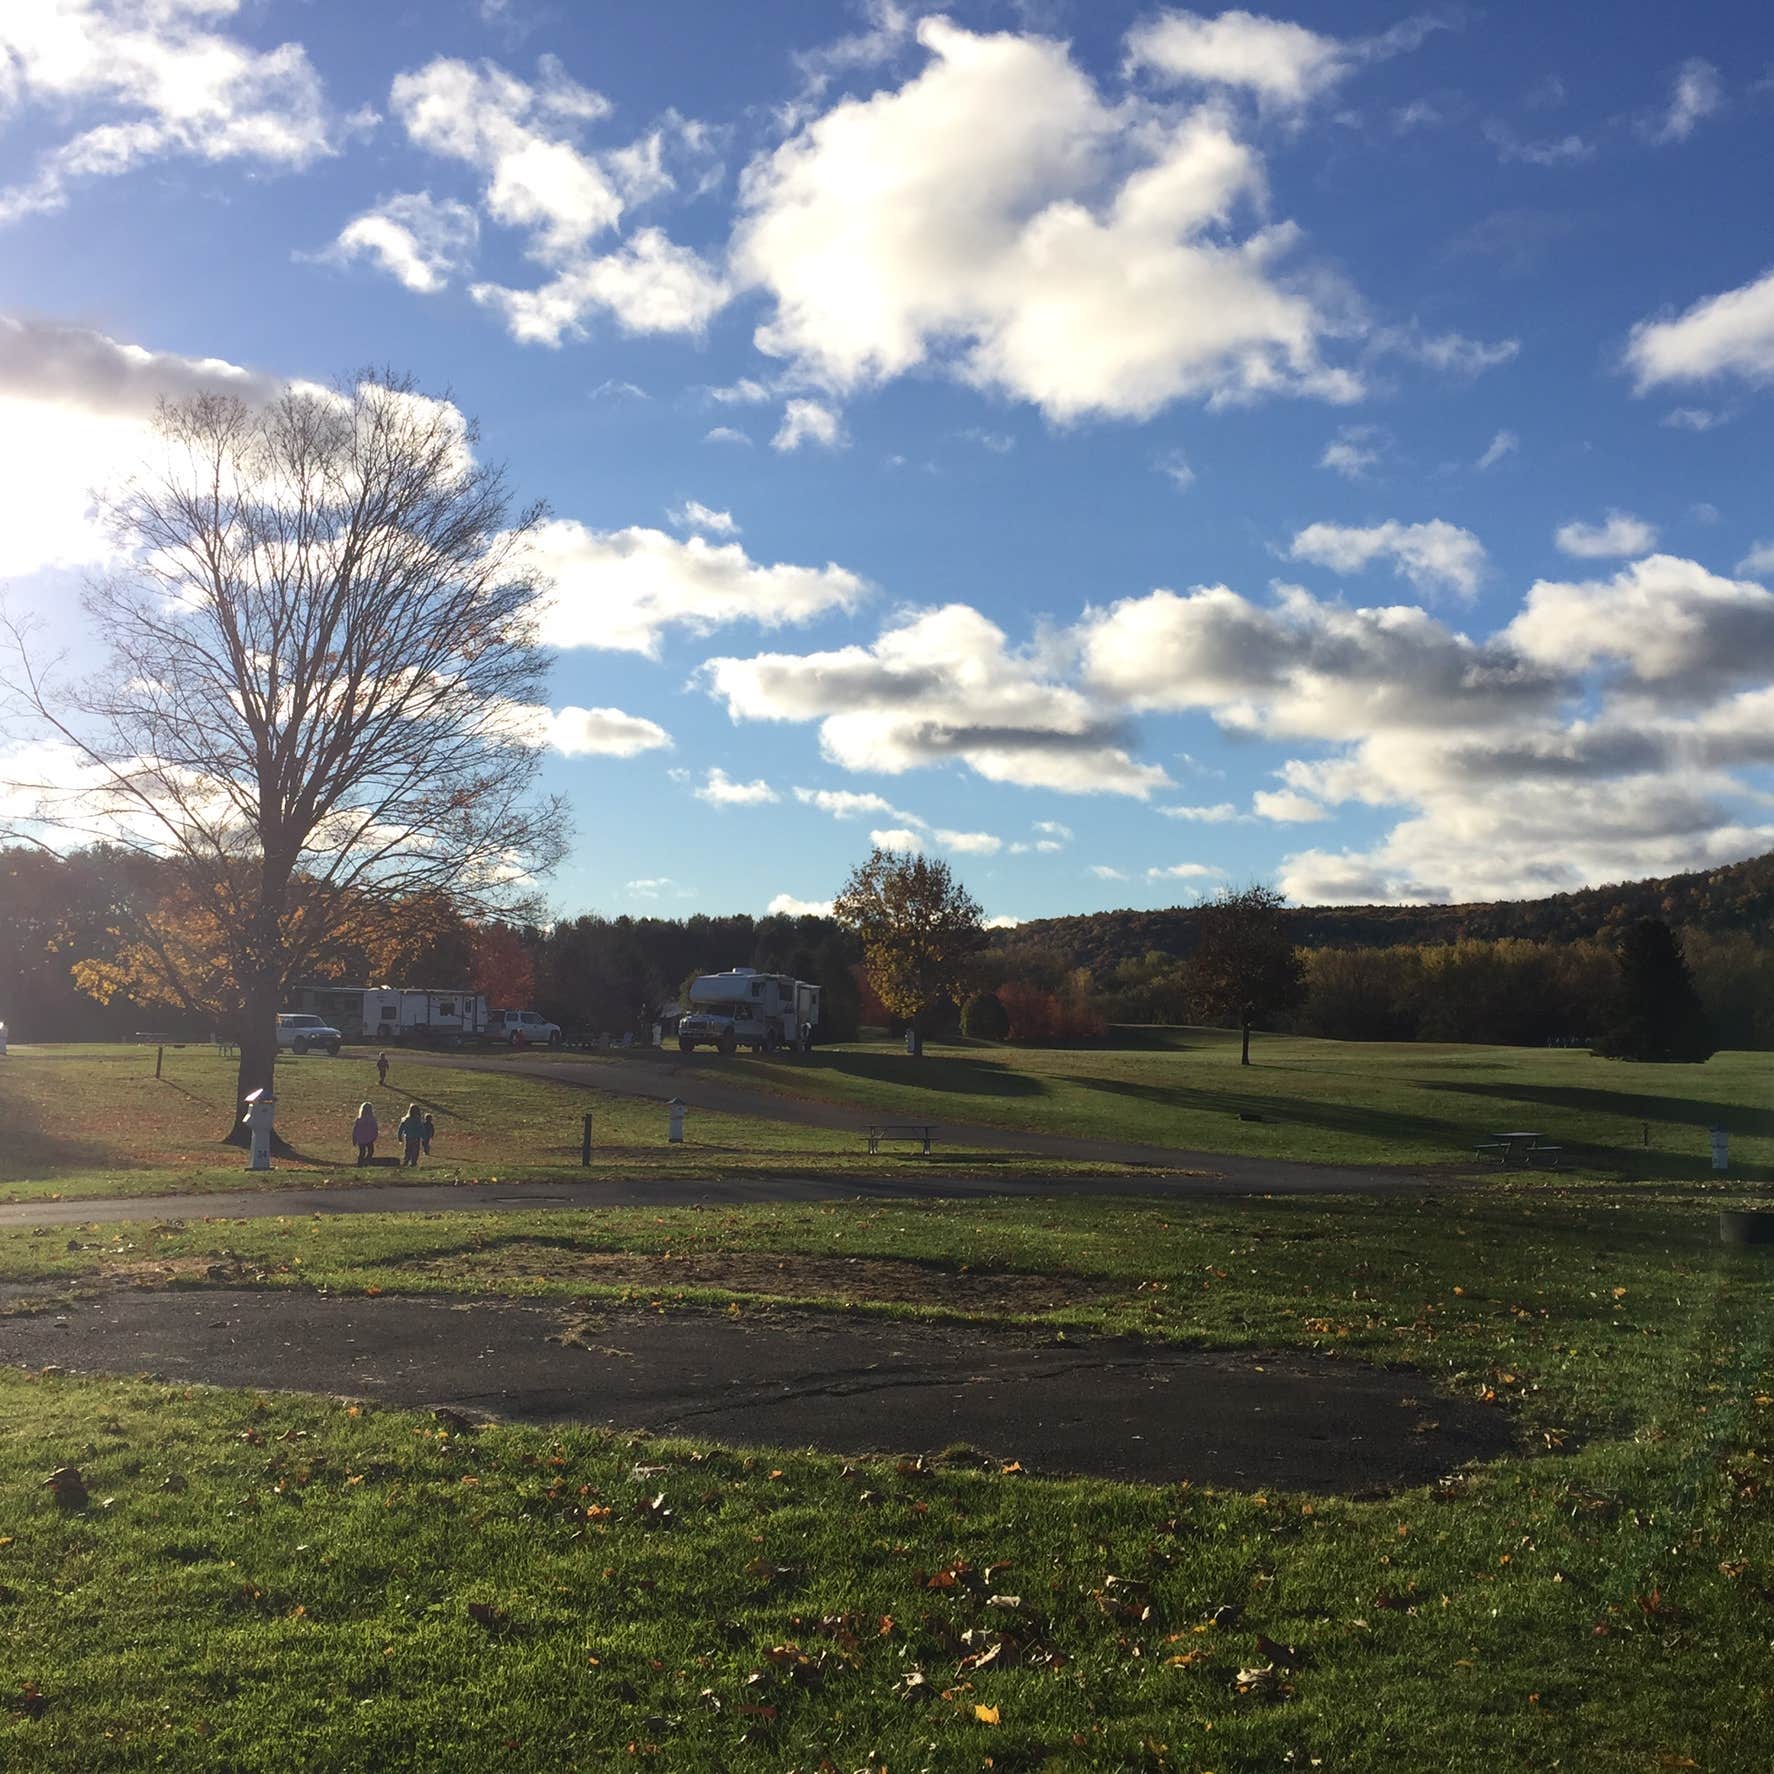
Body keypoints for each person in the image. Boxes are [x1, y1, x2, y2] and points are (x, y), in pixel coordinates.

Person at [397, 1102, 425, 1167]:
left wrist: (399, 1137)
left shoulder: (405, 1120)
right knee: (415, 1151)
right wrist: (423, 1136)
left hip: (408, 1137)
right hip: (416, 1138)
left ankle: (406, 1161)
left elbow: (400, 1129)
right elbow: (421, 1129)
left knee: (408, 1150)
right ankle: (413, 1162)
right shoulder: (418, 1120)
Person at [352, 1101, 378, 1166]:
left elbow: (355, 1130)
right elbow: (375, 1128)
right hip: (369, 1139)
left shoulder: (359, 1120)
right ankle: (366, 1162)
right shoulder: (372, 1119)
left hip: (361, 1139)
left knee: (362, 1152)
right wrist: (374, 1136)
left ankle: (361, 1163)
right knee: (370, 1151)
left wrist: (354, 1139)